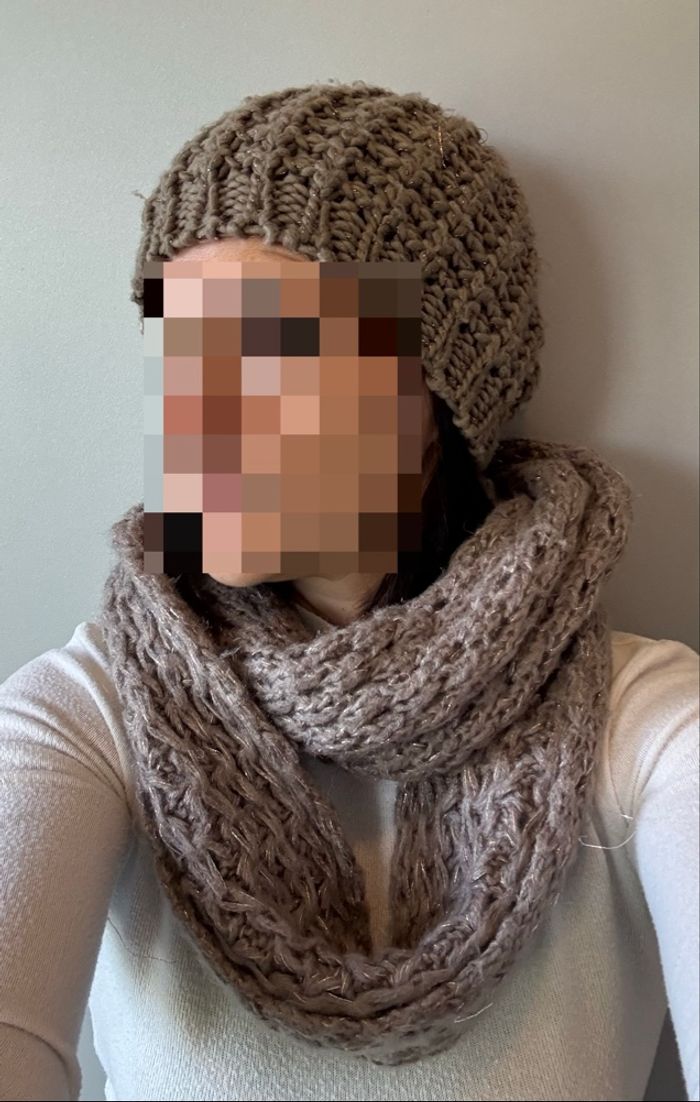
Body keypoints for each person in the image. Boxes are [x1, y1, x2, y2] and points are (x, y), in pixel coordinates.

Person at [1, 80, 698, 1102]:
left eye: (276, 349)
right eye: (179, 350)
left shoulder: (642, 726)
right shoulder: (92, 714)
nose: (199, 417)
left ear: (440, 393)